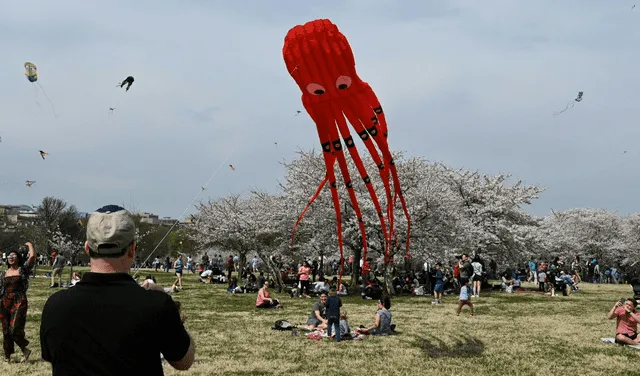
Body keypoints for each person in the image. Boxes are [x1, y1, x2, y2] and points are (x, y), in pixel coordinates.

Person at [40, 205, 195, 374]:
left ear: (87, 248)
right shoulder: (156, 304)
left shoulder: (56, 305)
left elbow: (51, 356)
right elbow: (184, 361)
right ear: (132, 249)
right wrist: (171, 310)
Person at [0, 242, 36, 363]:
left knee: (14, 328)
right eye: (9, 256)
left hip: (19, 300)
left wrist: (30, 245)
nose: (11, 257)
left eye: (14, 255)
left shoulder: (23, 270)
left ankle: (24, 347)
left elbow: (32, 257)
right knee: (6, 330)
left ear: (18, 258)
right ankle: (8, 356)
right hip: (5, 302)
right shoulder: (3, 273)